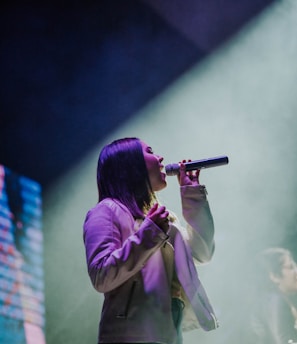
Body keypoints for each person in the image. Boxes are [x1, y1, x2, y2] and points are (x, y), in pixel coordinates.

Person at [83, 137, 219, 344]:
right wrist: (149, 233)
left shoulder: (165, 221)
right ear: (130, 164)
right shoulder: (106, 211)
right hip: (130, 335)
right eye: (150, 151)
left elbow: (203, 252)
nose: (160, 157)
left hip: (168, 333)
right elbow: (101, 275)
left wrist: (192, 195)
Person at [249, 247, 297, 344]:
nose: (296, 271)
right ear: (274, 276)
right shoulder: (277, 302)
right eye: (291, 267)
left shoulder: (268, 302)